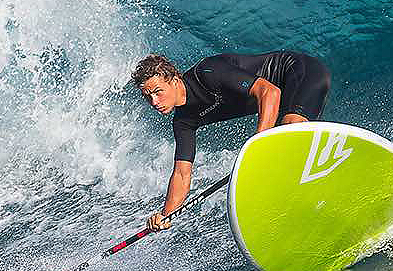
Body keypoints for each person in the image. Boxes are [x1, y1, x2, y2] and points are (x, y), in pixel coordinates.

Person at [131, 50, 332, 231]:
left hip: (299, 72)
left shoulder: (206, 73)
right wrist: (166, 215)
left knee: (289, 128)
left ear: (174, 79)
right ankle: (309, 208)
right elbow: (182, 174)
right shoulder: (183, 121)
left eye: (158, 91)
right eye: (148, 96)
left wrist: (258, 147)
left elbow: (270, 92)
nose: (154, 102)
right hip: (283, 95)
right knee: (282, 161)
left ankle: (327, 184)